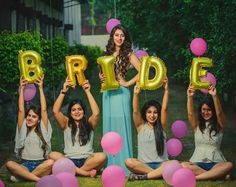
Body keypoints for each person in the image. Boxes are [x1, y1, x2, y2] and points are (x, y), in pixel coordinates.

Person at [99, 24, 140, 174]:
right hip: (108, 94)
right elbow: (102, 73)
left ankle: (125, 165)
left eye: (122, 35)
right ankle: (110, 164)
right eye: (117, 35)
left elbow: (143, 70)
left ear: (125, 37)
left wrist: (128, 83)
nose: (119, 38)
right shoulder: (106, 52)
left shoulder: (128, 53)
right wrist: (101, 77)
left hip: (121, 93)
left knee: (121, 126)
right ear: (112, 37)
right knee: (109, 126)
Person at [49, 78, 106, 177]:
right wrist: (63, 91)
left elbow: (96, 113)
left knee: (102, 156)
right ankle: (84, 173)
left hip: (87, 160)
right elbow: (56, 111)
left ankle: (74, 171)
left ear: (84, 112)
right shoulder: (66, 123)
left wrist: (87, 91)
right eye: (73, 110)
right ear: (70, 113)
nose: (77, 112)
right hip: (69, 160)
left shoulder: (89, 123)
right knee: (52, 154)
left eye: (79, 109)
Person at [5, 76, 53, 182]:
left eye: (34, 116)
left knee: (50, 162)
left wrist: (40, 88)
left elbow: (44, 110)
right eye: (29, 115)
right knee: (9, 164)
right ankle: (37, 179)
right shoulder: (22, 129)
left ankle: (23, 177)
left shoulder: (43, 128)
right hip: (25, 164)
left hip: (41, 164)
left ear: (39, 120)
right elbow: (21, 110)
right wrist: (22, 89)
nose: (30, 118)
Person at [125, 77, 174, 180]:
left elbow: (164, 108)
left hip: (161, 165)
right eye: (149, 112)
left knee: (174, 163)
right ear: (145, 114)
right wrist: (136, 94)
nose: (152, 115)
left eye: (155, 112)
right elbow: (135, 111)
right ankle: (158, 174)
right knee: (129, 161)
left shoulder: (162, 126)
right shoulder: (140, 126)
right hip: (143, 166)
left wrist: (166, 90)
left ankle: (144, 177)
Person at [182, 84, 233, 180]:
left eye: (209, 110)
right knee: (184, 165)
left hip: (216, 163)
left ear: (213, 111)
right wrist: (189, 97)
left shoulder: (220, 125)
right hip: (197, 163)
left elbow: (220, 113)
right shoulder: (196, 125)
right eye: (203, 110)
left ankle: (198, 177)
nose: (205, 112)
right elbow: (190, 114)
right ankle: (216, 176)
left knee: (228, 165)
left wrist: (214, 96)